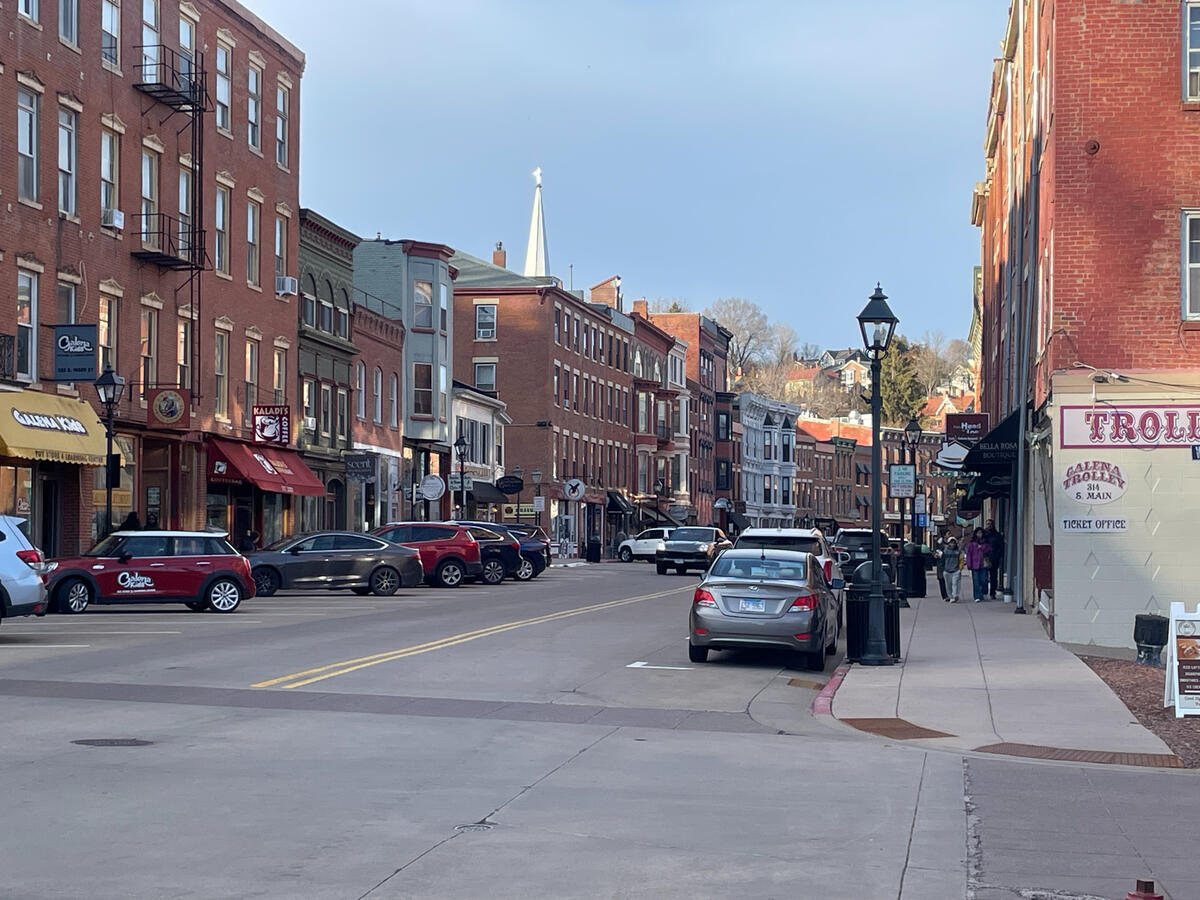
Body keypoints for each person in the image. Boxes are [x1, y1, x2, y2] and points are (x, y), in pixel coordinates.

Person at [965, 528, 990, 602]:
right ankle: (977, 596)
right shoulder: (972, 544)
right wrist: (969, 564)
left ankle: (984, 592)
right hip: (974, 565)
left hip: (983, 564)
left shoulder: (985, 543)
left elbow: (989, 550)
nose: (979, 534)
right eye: (978, 533)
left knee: (984, 580)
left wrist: (982, 548)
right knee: (976, 581)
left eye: (981, 533)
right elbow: (969, 554)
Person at [983, 518, 1005, 599]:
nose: (988, 525)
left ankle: (992, 592)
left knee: (993, 576)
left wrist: (997, 556)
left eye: (989, 524)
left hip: (994, 558)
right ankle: (984, 592)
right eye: (987, 524)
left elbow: (1000, 547)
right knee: (983, 576)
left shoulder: (997, 535)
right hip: (985, 558)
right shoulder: (984, 534)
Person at [941, 537, 964, 602]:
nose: (953, 544)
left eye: (954, 543)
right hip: (947, 570)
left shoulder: (958, 551)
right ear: (948, 543)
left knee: (955, 583)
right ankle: (951, 596)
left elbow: (961, 559)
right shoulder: (945, 551)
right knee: (948, 585)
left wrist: (960, 568)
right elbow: (942, 560)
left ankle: (955, 595)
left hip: (956, 570)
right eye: (951, 543)